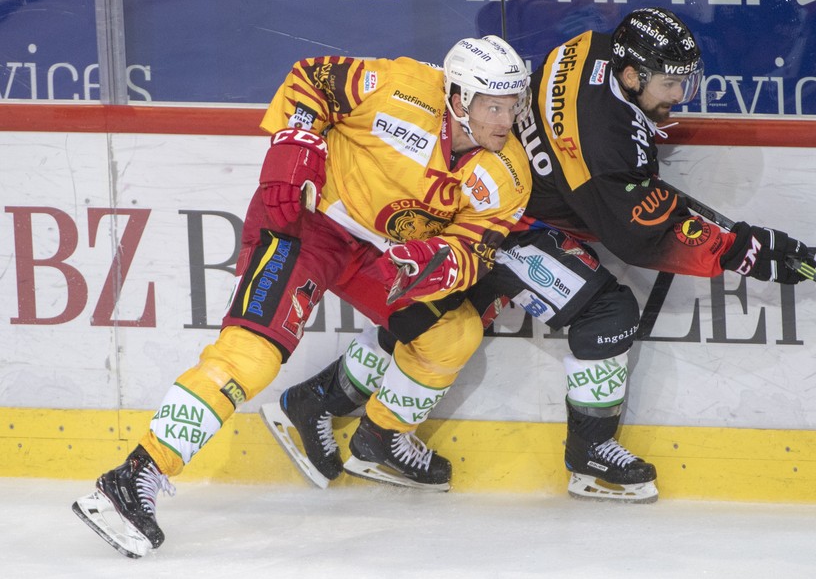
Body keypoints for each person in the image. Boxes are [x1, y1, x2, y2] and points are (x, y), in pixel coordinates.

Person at [270, 7, 816, 504]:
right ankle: (588, 454)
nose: (678, 95)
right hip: (507, 218)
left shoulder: (594, 46)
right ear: (631, 76)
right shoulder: (608, 143)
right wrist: (744, 250)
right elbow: (640, 235)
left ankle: (322, 403)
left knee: (438, 317)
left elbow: (621, 190)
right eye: (670, 83)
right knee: (607, 312)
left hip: (479, 197)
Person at [72, 35, 532, 558]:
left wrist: (439, 263)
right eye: (493, 106)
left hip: (382, 256)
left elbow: (476, 246)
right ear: (456, 99)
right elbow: (313, 78)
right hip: (307, 223)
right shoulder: (399, 87)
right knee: (253, 355)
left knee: (453, 333)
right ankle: (137, 473)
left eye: (513, 106)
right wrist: (298, 137)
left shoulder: (508, 173)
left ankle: (379, 439)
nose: (505, 120)